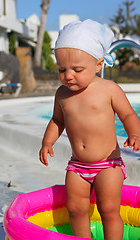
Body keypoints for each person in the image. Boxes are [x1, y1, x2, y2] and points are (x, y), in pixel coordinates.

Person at [39, 19, 140, 240]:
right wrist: (47, 142)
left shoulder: (109, 89)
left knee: (109, 210)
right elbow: (57, 121)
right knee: (75, 209)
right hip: (77, 165)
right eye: (62, 69)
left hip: (108, 164)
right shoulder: (62, 94)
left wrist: (134, 133)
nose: (68, 75)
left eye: (77, 69)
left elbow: (128, 114)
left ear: (98, 64)